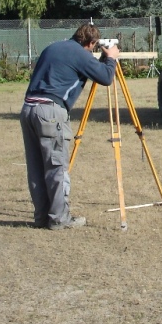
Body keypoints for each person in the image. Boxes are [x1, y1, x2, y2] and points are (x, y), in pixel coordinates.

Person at [20, 23, 120, 230]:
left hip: (29, 109)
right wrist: (111, 58)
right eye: (94, 47)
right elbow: (105, 77)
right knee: (56, 167)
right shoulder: (80, 54)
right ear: (91, 43)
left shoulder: (54, 47)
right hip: (50, 113)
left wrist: (103, 60)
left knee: (36, 168)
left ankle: (41, 218)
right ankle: (59, 219)